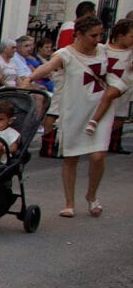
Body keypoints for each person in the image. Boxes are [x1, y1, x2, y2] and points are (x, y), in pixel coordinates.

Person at [22, 14, 111, 217]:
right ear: (78, 34)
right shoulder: (65, 54)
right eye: (93, 35)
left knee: (98, 156)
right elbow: (48, 67)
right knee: (72, 157)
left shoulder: (104, 51)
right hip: (75, 109)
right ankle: (69, 203)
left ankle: (91, 195)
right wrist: (30, 78)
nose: (97, 39)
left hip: (101, 109)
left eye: (100, 35)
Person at [86, 17, 132, 155]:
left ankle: (109, 141)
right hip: (104, 89)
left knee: (119, 119)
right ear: (120, 36)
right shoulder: (103, 49)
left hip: (123, 91)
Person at [0, 97, 21, 165]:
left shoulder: (11, 133)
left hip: (1, 157)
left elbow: (13, 148)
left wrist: (2, 150)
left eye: (0, 119)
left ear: (10, 121)